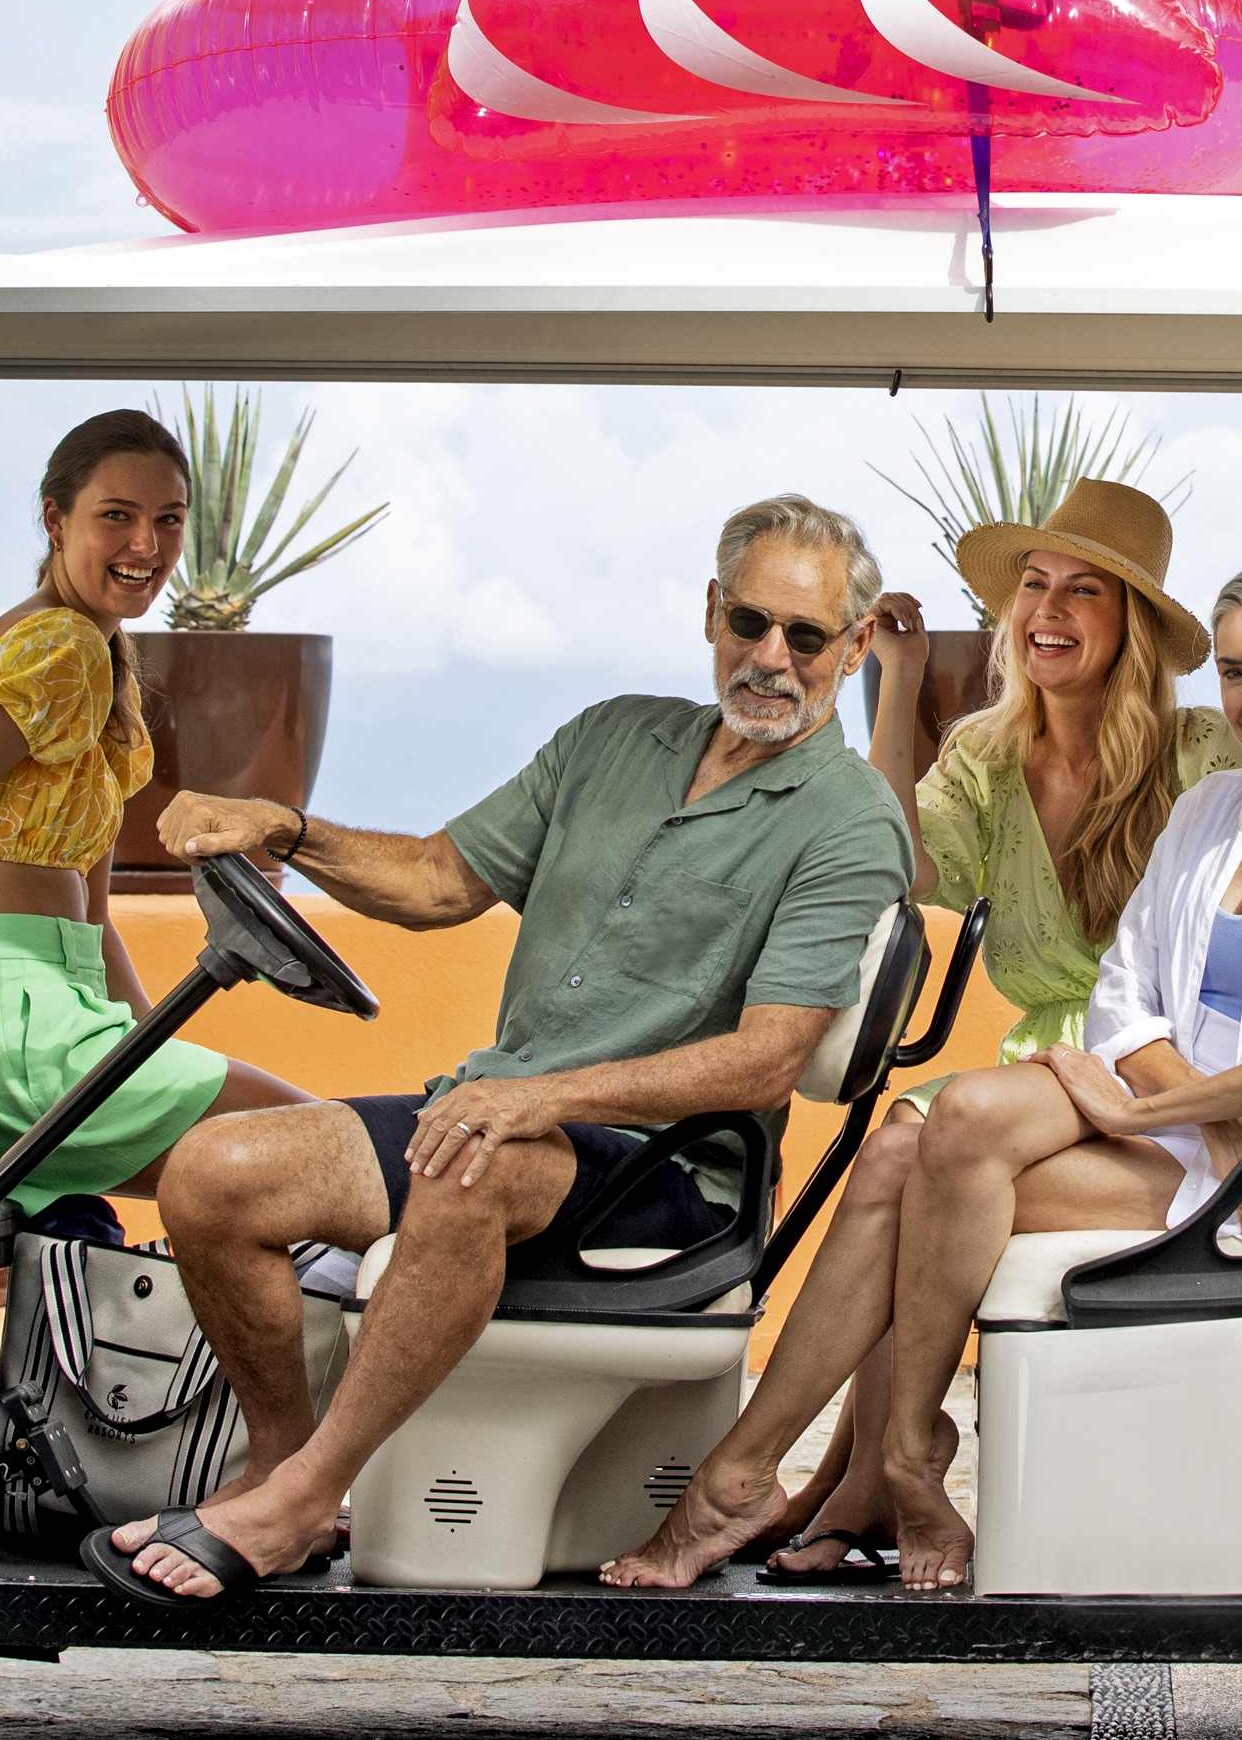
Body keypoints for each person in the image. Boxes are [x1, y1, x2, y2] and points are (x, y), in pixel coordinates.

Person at [86, 494, 915, 1602]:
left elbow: (767, 1060)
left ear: (854, 647)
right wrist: (283, 827)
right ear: (712, 612)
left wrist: (543, 1098)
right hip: (497, 1115)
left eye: (806, 638)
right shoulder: (615, 736)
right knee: (211, 1175)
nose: (771, 657)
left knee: (466, 1161)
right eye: (751, 623)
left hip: (670, 1169)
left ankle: (298, 1497)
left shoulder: (850, 821)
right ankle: (284, 1466)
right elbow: (437, 879)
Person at [606, 555, 1242, 1596]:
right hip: (1178, 1123)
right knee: (936, 1127)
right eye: (1233, 673)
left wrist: (1169, 1108)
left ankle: (802, 1468)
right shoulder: (1212, 810)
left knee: (910, 1170)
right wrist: (1188, 1113)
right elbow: (1126, 998)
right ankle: (868, 1462)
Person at [726, 479, 1242, 1582]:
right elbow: (897, 864)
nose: (1047, 609)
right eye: (1034, 586)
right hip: (1035, 1077)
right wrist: (898, 681)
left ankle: (854, 1474)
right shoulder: (984, 757)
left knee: (915, 1160)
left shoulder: (1206, 760)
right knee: (907, 1146)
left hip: (1163, 1086)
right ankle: (851, 1478)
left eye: (1085, 590)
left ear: (1136, 624)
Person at [0, 410, 312, 1210]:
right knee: (326, 1152)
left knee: (281, 1183)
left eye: (167, 520)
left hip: (52, 1005)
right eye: (117, 517)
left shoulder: (103, 660)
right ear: (55, 519)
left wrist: (146, 1039)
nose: (148, 545)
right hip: (5, 1022)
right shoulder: (56, 647)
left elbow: (89, 916)